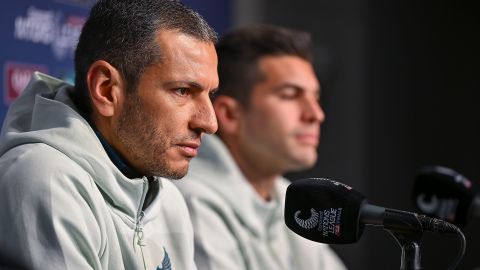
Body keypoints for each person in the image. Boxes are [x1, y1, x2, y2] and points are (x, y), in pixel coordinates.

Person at [0, 0, 218, 269]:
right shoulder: (44, 179)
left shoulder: (168, 201)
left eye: (210, 95)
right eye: (183, 91)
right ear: (106, 89)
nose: (209, 123)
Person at [174, 25, 347, 270]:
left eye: (315, 97)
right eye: (290, 94)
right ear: (230, 115)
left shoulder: (286, 196)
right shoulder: (191, 199)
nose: (316, 114)